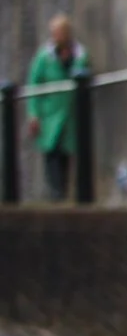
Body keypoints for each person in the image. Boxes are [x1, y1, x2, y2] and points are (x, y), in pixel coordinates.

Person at [24, 15, 87, 202]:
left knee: (68, 155)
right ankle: (56, 195)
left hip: (71, 115)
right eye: (55, 33)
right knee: (52, 154)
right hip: (50, 116)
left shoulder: (80, 55)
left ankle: (68, 194)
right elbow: (33, 85)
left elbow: (85, 75)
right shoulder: (44, 57)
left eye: (60, 32)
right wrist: (33, 114)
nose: (57, 36)